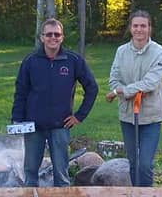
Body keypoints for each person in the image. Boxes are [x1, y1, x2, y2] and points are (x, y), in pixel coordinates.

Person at [11, 18, 98, 186]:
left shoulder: (73, 61)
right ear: (42, 37)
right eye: (49, 34)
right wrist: (17, 119)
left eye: (57, 34)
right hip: (33, 126)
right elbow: (21, 91)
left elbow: (92, 88)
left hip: (60, 126)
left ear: (62, 37)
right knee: (30, 172)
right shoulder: (31, 61)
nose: (53, 38)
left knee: (61, 174)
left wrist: (79, 116)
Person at [105, 10, 162, 186]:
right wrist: (127, 90)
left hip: (150, 116)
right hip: (127, 116)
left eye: (143, 26)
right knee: (133, 163)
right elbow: (113, 79)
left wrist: (120, 92)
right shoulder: (121, 51)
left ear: (149, 28)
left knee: (145, 164)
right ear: (130, 28)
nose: (139, 29)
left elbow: (150, 83)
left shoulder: (160, 53)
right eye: (135, 26)